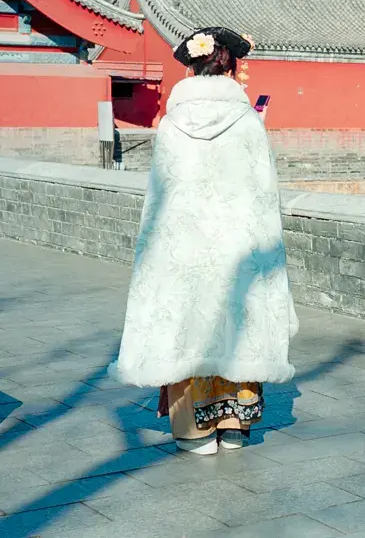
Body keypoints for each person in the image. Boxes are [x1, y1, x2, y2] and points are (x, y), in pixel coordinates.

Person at [108, 27, 299, 455]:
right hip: (238, 246)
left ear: (191, 66)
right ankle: (234, 424)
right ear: (229, 64)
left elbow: (160, 199)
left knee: (186, 325)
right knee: (238, 321)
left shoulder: (172, 124)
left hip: (185, 249)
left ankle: (194, 431)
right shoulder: (248, 122)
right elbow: (265, 196)